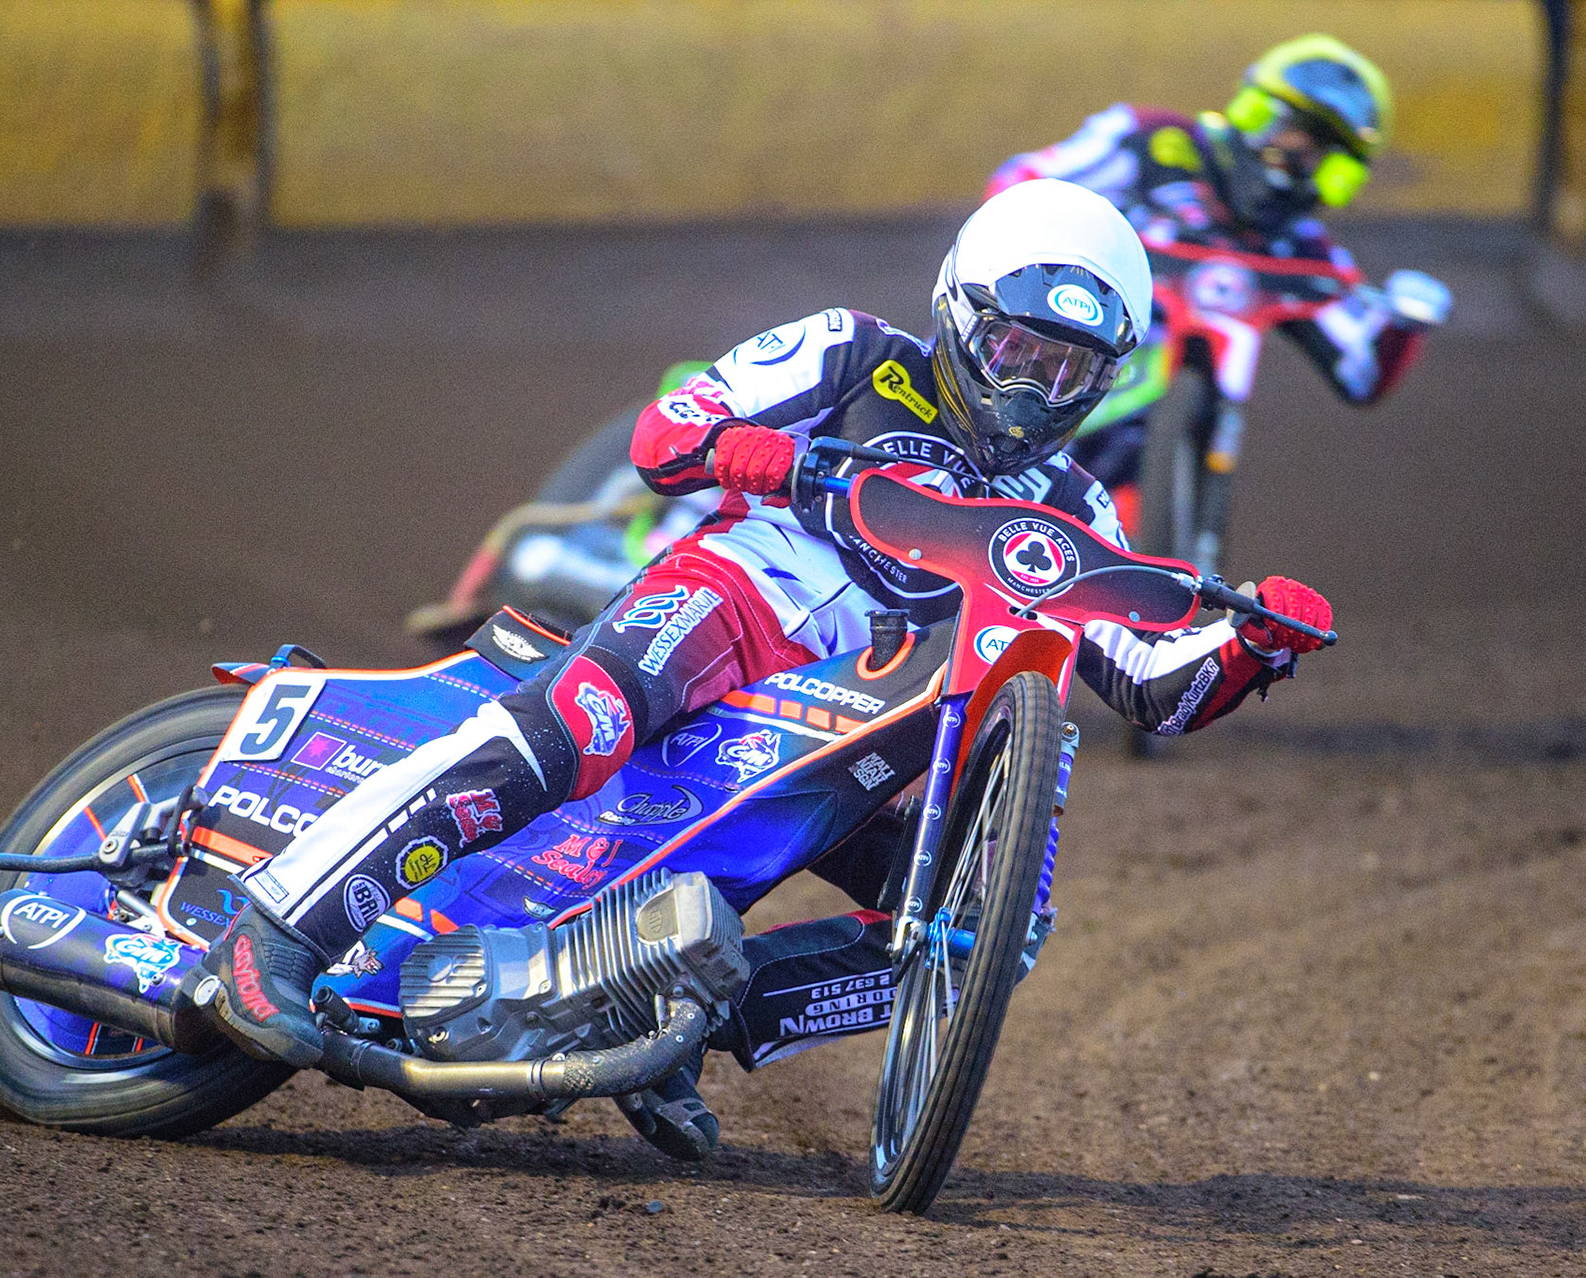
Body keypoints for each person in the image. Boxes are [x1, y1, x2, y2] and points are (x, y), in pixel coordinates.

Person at [198, 178, 1335, 1159]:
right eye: (1012, 352)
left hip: (861, 717)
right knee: (576, 724)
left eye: (1068, 371)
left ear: (1108, 381)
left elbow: (1151, 680)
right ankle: (280, 930)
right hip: (735, 600)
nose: (1032, 391)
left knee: (984, 924)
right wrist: (766, 455)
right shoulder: (849, 350)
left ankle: (668, 1027)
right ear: (957, 312)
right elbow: (668, 432)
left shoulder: (1076, 508)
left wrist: (1249, 647)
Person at [987, 34, 1451, 513]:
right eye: (1288, 130)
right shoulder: (1153, 142)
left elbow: (1362, 374)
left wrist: (1403, 322)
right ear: (1251, 111)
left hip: (1146, 460)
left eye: (1319, 154)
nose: (1293, 157)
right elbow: (1016, 187)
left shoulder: (1308, 253)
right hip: (1035, 351)